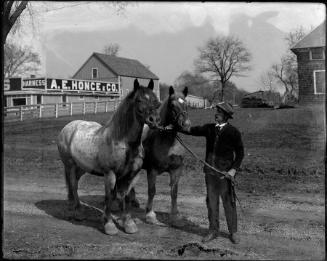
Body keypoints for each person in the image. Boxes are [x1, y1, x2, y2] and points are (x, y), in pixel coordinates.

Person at [181, 102, 244, 244]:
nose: (216, 113)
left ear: (226, 116)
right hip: (210, 173)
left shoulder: (233, 132)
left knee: (229, 203)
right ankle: (213, 230)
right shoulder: (209, 128)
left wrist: (233, 170)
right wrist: (176, 128)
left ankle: (233, 232)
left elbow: (240, 153)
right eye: (216, 111)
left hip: (225, 174)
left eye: (219, 112)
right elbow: (192, 130)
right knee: (211, 203)